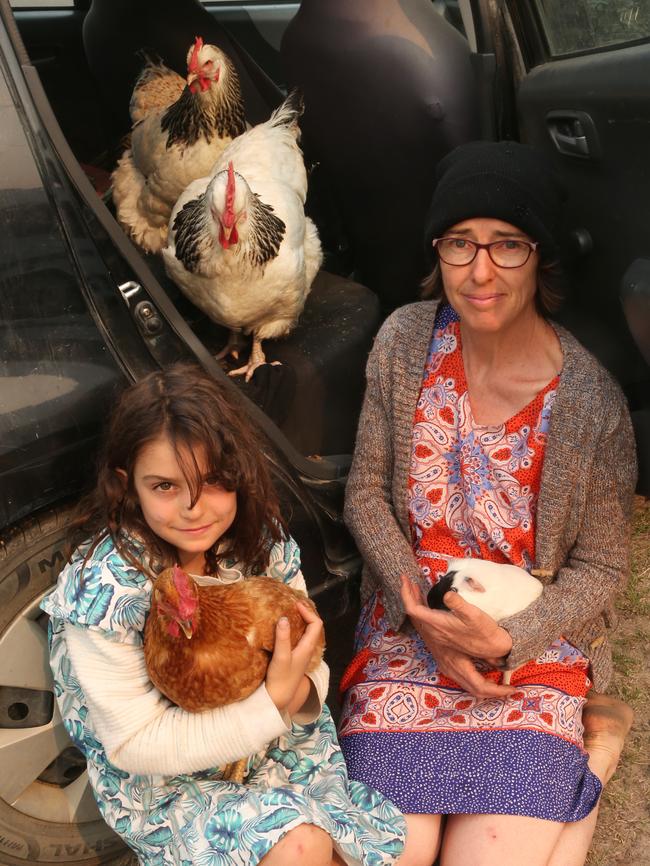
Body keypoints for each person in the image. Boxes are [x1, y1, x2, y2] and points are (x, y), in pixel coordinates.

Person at [338, 141, 637, 866]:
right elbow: (366, 496)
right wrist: (421, 612)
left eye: (507, 245)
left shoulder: (590, 402)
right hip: (406, 639)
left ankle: (590, 746)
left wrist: (514, 640)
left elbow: (600, 568)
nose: (479, 271)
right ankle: (590, 764)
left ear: (542, 257)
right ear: (436, 251)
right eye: (459, 244)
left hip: (523, 654)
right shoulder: (406, 342)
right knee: (393, 858)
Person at [41, 363, 406, 866]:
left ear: (239, 472)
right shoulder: (105, 588)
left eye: (212, 481)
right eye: (165, 486)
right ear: (128, 485)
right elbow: (135, 744)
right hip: (169, 782)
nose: (193, 508)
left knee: (345, 850)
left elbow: (311, 668)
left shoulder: (262, 547)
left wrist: (298, 689)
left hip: (280, 750)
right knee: (301, 844)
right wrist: (273, 697)